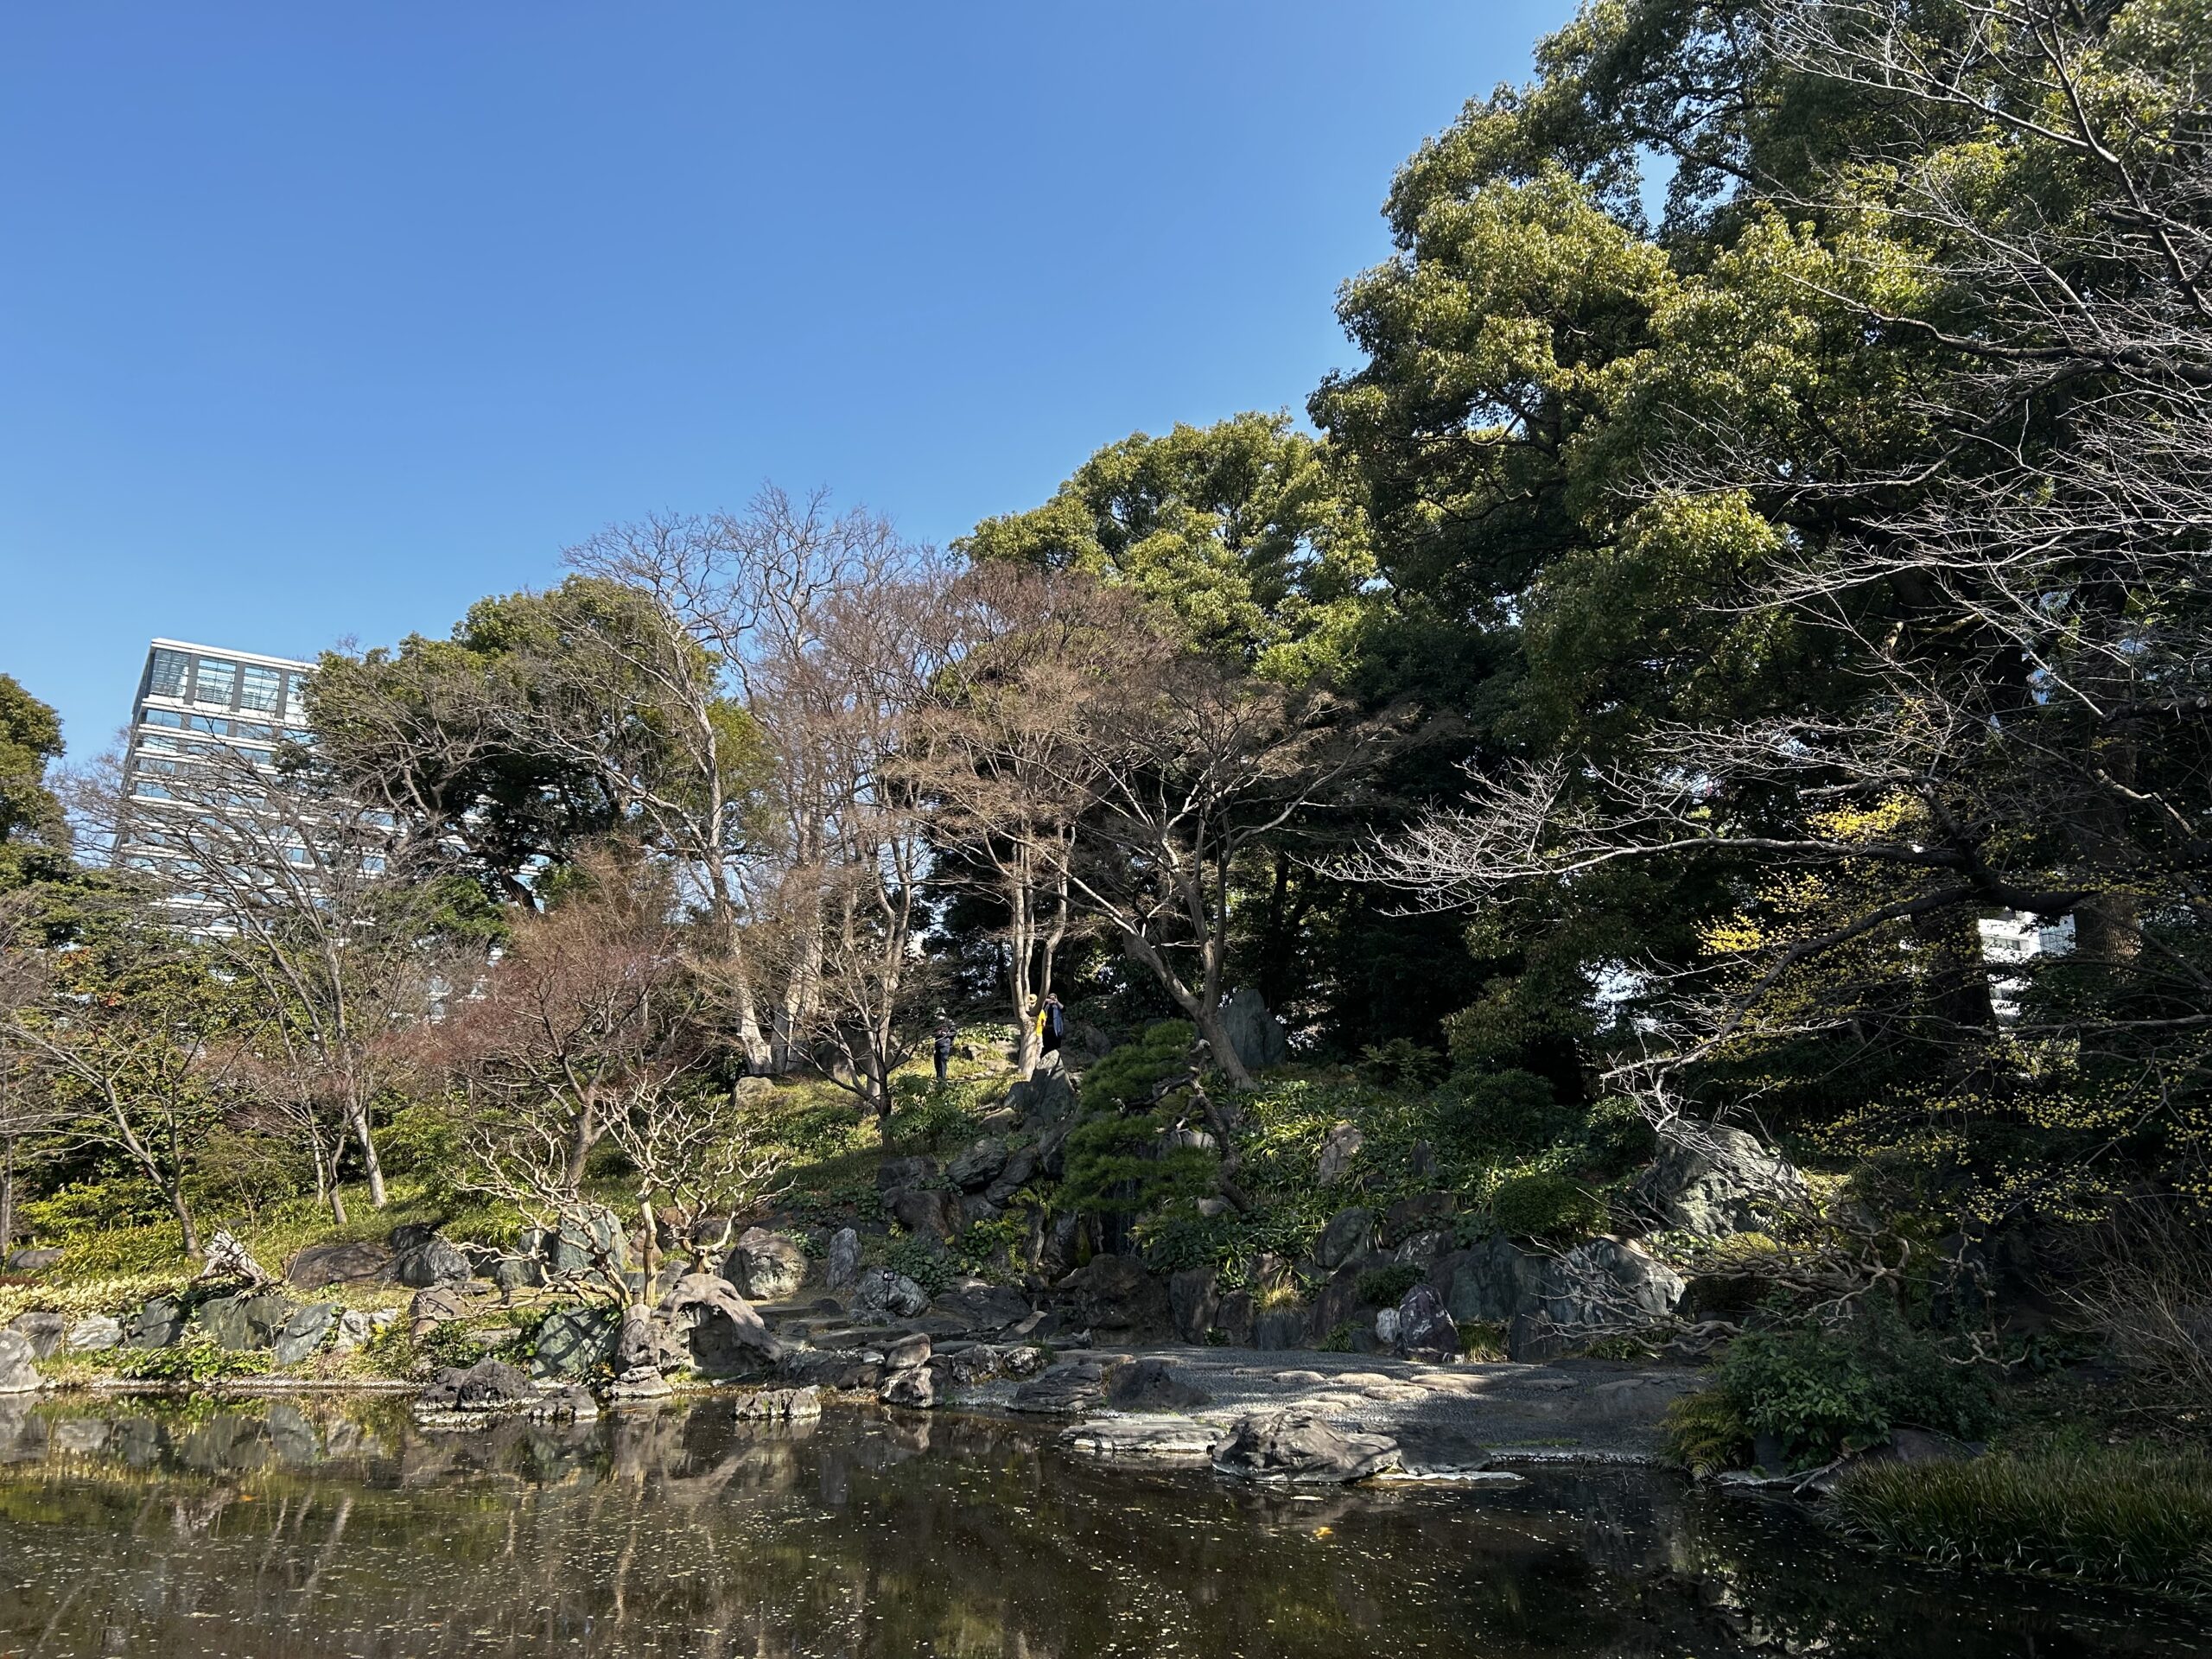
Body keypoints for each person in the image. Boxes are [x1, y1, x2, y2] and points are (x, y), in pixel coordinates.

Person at [931, 1011, 957, 1084]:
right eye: (937, 1015)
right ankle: (938, 1077)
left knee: (943, 1060)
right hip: (937, 1044)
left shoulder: (949, 1022)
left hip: (945, 1044)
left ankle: (943, 1077)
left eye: (940, 1015)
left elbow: (954, 1032)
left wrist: (947, 1034)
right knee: (937, 1060)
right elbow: (932, 1034)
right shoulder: (936, 1023)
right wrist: (938, 1033)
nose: (938, 1016)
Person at [1039, 993, 1066, 1058]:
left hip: (1056, 1029)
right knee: (1046, 1045)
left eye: (1053, 998)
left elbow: (1064, 1009)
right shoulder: (1046, 1006)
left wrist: (1056, 1002)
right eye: (1050, 998)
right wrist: (1045, 1001)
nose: (1052, 999)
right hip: (1046, 1028)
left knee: (1056, 1045)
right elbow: (1040, 1010)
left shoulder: (1058, 1006)